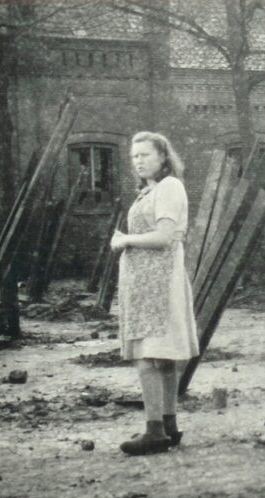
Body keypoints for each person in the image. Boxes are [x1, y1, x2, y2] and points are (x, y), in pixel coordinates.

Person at [111, 131, 199, 456]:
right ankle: (168, 426)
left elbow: (163, 236)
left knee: (149, 356)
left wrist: (125, 240)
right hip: (147, 282)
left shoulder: (169, 187)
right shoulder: (148, 192)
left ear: (163, 157)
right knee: (160, 359)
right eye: (134, 156)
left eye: (145, 155)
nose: (138, 161)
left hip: (160, 282)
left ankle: (154, 431)